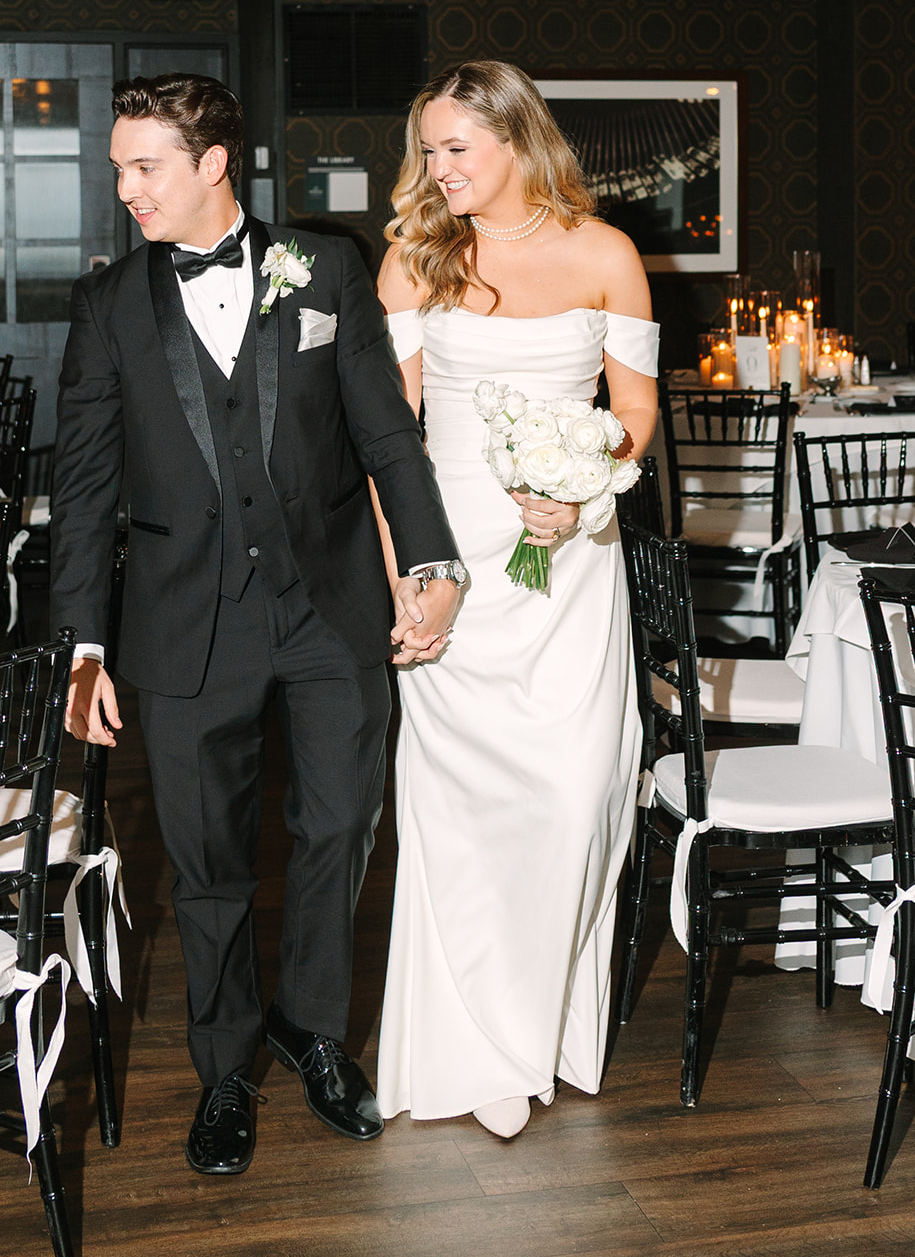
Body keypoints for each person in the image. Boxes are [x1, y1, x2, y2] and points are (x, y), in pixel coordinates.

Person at [50, 73, 463, 1175]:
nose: (125, 188)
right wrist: (82, 647)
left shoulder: (322, 267)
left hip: (328, 606)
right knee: (208, 863)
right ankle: (224, 1065)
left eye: (145, 167)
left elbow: (384, 434)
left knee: (338, 828)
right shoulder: (106, 306)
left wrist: (429, 563)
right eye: (120, 168)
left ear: (212, 162)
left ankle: (311, 1028)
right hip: (181, 627)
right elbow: (84, 490)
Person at [374, 60, 659, 1139]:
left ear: (516, 139)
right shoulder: (414, 258)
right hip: (453, 566)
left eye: (455, 147)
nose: (435, 168)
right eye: (428, 149)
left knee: (574, 794)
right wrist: (414, 572)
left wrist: (584, 487)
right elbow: (382, 437)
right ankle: (477, 1046)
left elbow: (632, 409)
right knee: (462, 810)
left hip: (572, 565)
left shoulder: (605, 254)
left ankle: (537, 1022)